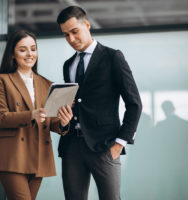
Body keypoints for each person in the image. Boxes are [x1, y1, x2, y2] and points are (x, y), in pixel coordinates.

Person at [56, 6, 142, 200]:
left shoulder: (113, 57)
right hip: (71, 146)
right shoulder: (68, 65)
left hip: (104, 145)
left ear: (87, 25)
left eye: (74, 31)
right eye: (65, 35)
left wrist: (119, 143)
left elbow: (134, 103)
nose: (71, 39)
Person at [0, 30, 73, 200]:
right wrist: (31, 115)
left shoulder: (47, 84)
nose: (30, 54)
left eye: (33, 49)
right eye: (23, 50)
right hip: (13, 156)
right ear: (12, 54)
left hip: (38, 155)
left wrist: (63, 122)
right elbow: (0, 117)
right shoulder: (1, 80)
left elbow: (52, 122)